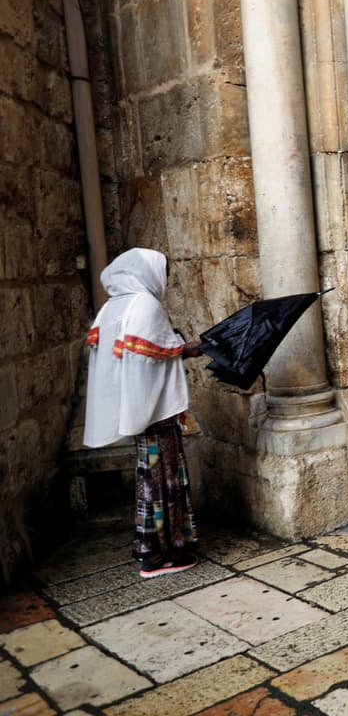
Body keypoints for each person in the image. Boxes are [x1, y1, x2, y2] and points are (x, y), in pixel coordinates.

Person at [84, 248, 204, 579]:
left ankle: (150, 547)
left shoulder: (113, 306)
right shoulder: (145, 305)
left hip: (139, 409)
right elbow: (158, 352)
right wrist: (189, 347)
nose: (166, 279)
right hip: (157, 411)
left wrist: (180, 347)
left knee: (150, 479)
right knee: (165, 479)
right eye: (163, 272)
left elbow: (140, 355)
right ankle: (166, 551)